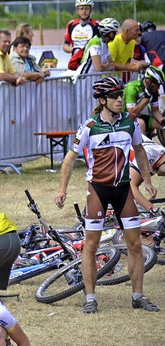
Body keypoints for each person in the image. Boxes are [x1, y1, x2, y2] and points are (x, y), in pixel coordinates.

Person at [55, 76, 160, 313]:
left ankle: (138, 295)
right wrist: (62, 189)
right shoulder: (89, 127)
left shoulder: (129, 123)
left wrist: (148, 181)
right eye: (114, 97)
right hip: (98, 190)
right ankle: (90, 297)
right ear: (102, 100)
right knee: (90, 245)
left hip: (123, 190)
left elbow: (140, 150)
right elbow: (70, 159)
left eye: (121, 95)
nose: (119, 100)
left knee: (134, 244)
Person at [122, 65, 165, 135]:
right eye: (157, 84)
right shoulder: (132, 88)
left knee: (163, 125)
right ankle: (143, 145)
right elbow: (131, 113)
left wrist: (162, 121)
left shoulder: (153, 90)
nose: (159, 87)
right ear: (148, 81)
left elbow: (155, 111)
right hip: (124, 117)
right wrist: (146, 98)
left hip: (138, 116)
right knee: (141, 124)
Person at [63, 0, 99, 71]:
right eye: (81, 8)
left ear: (91, 10)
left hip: (90, 65)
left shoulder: (96, 25)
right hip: (75, 63)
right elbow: (65, 45)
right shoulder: (71, 24)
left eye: (87, 8)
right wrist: (74, 50)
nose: (84, 11)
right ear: (77, 10)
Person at [130, 136, 165, 213]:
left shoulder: (158, 159)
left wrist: (143, 202)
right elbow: (131, 187)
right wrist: (152, 208)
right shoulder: (150, 153)